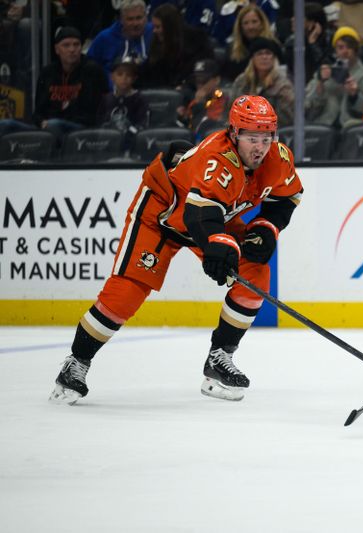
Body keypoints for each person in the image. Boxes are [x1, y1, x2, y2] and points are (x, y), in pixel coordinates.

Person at [49, 95, 303, 406]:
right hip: (163, 212)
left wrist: (265, 228)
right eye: (252, 138)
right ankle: (75, 364)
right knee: (128, 291)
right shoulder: (217, 157)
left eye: (267, 138)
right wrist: (217, 246)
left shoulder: (278, 158)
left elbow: (288, 197)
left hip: (210, 216)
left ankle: (219, 359)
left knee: (256, 270)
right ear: (234, 134)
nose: (260, 147)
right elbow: (199, 211)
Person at [32, 26, 109, 139]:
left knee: (54, 125)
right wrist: (41, 122)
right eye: (66, 45)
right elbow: (38, 111)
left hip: (81, 128)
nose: (72, 49)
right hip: (48, 125)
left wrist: (56, 121)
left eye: (76, 44)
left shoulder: (92, 70)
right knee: (5, 125)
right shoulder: (47, 73)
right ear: (57, 49)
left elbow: (93, 113)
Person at [305, 26, 363, 128]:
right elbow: (307, 110)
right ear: (335, 51)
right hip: (324, 128)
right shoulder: (323, 73)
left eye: (349, 47)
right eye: (340, 47)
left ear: (356, 50)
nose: (345, 51)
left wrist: (354, 96)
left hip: (352, 129)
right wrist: (320, 85)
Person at [137, 3, 214, 89]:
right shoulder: (157, 43)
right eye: (154, 27)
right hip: (162, 90)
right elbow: (149, 69)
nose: (154, 31)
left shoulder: (197, 40)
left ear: (169, 26)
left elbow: (204, 69)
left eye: (158, 27)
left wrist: (185, 85)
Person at [231, 37, 294, 126]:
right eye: (259, 54)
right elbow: (231, 111)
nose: (264, 57)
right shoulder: (241, 82)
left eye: (268, 53)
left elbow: (288, 119)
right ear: (252, 59)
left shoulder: (283, 84)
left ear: (274, 58)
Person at [87, 0, 153, 83]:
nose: (135, 23)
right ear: (121, 20)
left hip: (149, 89)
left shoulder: (154, 32)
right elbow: (89, 67)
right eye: (130, 19)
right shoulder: (104, 38)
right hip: (113, 92)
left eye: (139, 18)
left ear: (146, 17)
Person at [96, 55, 148, 148]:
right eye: (120, 74)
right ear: (112, 77)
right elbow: (99, 122)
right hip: (108, 143)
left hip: (132, 143)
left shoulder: (140, 99)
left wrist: (128, 128)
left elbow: (142, 124)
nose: (124, 78)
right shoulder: (106, 99)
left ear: (134, 78)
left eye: (128, 75)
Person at [220, 4, 278, 82]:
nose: (250, 27)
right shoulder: (232, 49)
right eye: (246, 23)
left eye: (254, 22)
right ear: (240, 26)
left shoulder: (273, 45)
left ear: (262, 23)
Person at [180, 59, 230, 135]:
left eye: (203, 80)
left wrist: (200, 105)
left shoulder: (225, 100)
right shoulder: (194, 101)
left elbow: (207, 127)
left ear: (216, 80)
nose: (200, 84)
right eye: (197, 80)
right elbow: (189, 128)